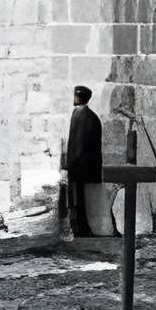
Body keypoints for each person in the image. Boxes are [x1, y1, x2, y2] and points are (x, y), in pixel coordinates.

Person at [61, 85, 104, 239]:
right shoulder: (80, 113)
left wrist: (71, 163)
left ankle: (82, 229)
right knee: (78, 199)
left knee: (80, 199)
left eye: (75, 96)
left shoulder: (84, 115)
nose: (73, 99)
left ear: (79, 98)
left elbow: (79, 143)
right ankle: (80, 228)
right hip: (79, 164)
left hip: (81, 165)